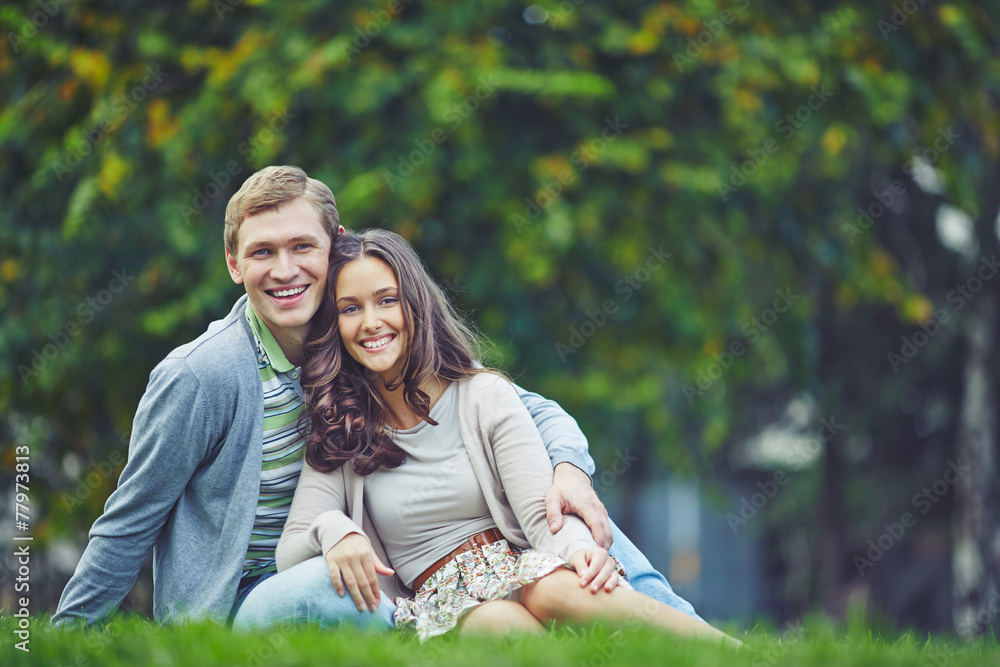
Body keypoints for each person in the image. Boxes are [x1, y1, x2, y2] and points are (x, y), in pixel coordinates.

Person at [52, 165, 698, 631]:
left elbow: (514, 403)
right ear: (232, 263)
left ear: (334, 248)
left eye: (302, 246)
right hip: (253, 591)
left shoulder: (370, 338)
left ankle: (703, 638)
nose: (284, 270)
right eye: (262, 253)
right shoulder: (205, 374)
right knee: (339, 586)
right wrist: (58, 644)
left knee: (570, 512)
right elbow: (130, 518)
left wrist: (566, 465)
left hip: (391, 566)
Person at [276, 229, 737, 644]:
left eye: (387, 300)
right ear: (334, 325)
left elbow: (541, 514)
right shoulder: (342, 427)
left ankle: (730, 653)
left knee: (556, 587)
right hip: (442, 604)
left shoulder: (484, 395)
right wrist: (335, 531)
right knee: (495, 622)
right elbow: (291, 549)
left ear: (415, 304)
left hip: (520, 567)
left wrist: (579, 551)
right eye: (350, 309)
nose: (371, 322)